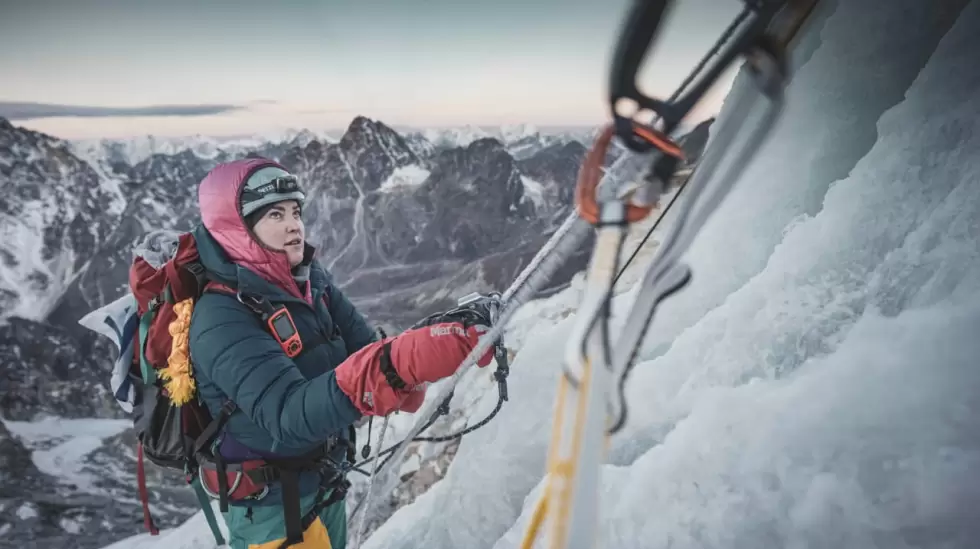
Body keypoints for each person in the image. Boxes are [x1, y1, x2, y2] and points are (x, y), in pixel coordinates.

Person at [187, 157, 495, 549]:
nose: (294, 225)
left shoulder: (309, 280)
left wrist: (433, 345)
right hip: (273, 514)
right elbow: (288, 415)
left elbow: (369, 350)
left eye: (296, 211)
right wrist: (397, 363)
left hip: (325, 484)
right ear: (236, 228)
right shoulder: (220, 318)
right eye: (275, 215)